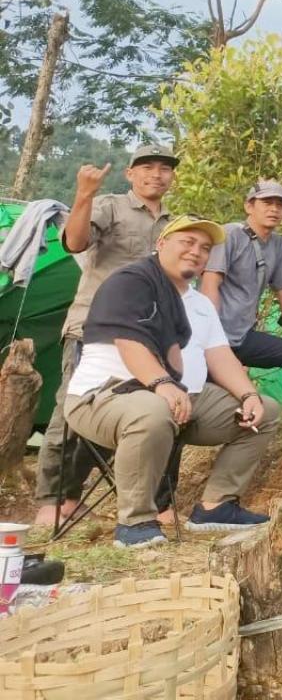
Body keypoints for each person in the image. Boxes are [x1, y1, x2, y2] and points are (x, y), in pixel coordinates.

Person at [63, 216, 280, 549]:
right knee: (152, 410)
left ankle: (216, 506)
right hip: (105, 397)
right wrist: (163, 384)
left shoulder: (201, 304)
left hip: (184, 401)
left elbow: (220, 356)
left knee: (265, 411)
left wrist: (248, 394)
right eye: (187, 242)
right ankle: (135, 522)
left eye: (204, 247)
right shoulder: (132, 281)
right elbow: (130, 342)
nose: (196, 251)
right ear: (161, 244)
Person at [33, 144, 177, 531]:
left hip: (145, 337)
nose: (156, 174)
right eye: (146, 167)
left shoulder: (174, 224)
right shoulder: (111, 206)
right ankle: (53, 503)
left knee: (122, 411)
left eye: (164, 168)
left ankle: (86, 500)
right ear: (130, 174)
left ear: (172, 177)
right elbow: (75, 243)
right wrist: (84, 195)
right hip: (92, 328)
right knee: (71, 410)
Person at [200, 180, 282, 408]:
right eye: (267, 202)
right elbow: (210, 284)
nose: (274, 209)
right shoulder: (229, 234)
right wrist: (210, 335)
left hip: (244, 337)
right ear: (249, 206)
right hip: (215, 337)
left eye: (280, 205)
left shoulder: (277, 244)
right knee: (207, 401)